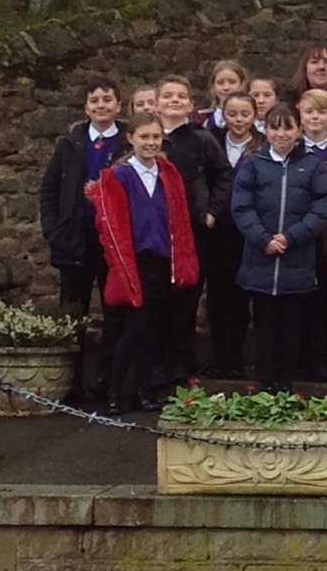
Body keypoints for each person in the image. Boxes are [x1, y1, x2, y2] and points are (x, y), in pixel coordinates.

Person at [87, 112, 198, 412]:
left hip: (162, 259)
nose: (151, 142)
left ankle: (144, 391)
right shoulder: (120, 176)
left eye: (156, 137)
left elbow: (179, 218)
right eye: (145, 137)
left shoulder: (167, 173)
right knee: (134, 328)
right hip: (135, 261)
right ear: (131, 139)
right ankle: (113, 391)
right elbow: (111, 224)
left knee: (151, 329)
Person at [38, 77, 130, 401]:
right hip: (75, 241)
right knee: (72, 314)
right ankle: (70, 384)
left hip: (113, 244)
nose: (101, 106)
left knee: (115, 313)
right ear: (85, 108)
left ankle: (108, 383)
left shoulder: (128, 144)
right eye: (95, 101)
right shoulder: (70, 144)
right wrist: (54, 229)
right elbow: (49, 189)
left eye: (107, 100)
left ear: (118, 105)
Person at [232, 102, 327, 391]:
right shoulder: (253, 163)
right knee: (264, 328)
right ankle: (265, 386)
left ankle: (286, 386)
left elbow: (322, 207)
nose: (281, 134)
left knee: (291, 328)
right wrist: (264, 239)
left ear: (298, 129)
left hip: (297, 259)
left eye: (287, 127)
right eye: (275, 127)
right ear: (266, 130)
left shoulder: (312, 165)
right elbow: (241, 207)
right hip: (260, 259)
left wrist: (291, 237)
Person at [154, 75, 232, 384]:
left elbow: (224, 175)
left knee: (185, 303)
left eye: (181, 96)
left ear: (190, 104)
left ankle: (180, 367)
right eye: (168, 95)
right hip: (155, 234)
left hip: (193, 233)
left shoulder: (203, 139)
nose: (174, 100)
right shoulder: (147, 136)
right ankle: (155, 369)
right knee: (155, 302)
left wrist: (212, 211)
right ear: (157, 102)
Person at [201, 92, 260, 376]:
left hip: (250, 233)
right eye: (232, 114)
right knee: (217, 297)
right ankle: (219, 358)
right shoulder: (211, 141)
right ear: (223, 114)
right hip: (218, 232)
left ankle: (237, 359)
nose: (238, 120)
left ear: (254, 115)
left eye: (245, 114)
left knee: (241, 298)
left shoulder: (263, 144)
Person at [295, 88, 327, 376]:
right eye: (310, 111)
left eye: (322, 111)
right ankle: (302, 358)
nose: (315, 117)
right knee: (302, 300)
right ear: (300, 115)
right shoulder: (293, 149)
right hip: (300, 234)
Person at [195, 58, 248, 130]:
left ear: (242, 85)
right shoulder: (201, 119)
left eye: (232, 82)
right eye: (220, 83)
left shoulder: (250, 119)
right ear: (213, 87)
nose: (226, 87)